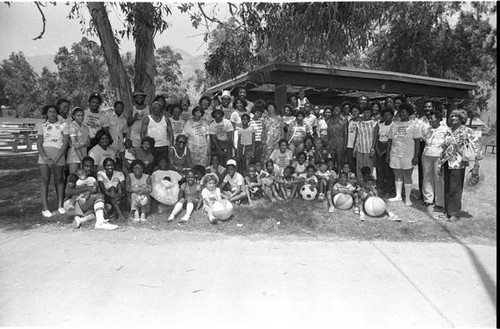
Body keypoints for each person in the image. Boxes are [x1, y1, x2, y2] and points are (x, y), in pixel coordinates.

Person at [437, 109, 482, 222]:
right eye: (452, 116)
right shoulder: (449, 130)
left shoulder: (467, 130)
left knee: (455, 188)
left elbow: (476, 145)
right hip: (447, 162)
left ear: (462, 119)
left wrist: (477, 162)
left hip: (458, 163)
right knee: (447, 187)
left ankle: (455, 213)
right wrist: (440, 162)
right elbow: (444, 147)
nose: (453, 118)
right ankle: (447, 211)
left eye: (456, 116)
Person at [64, 156, 118, 230]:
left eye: (91, 166)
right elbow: (68, 192)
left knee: (107, 207)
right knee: (100, 196)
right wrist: (87, 188)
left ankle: (80, 220)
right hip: (72, 204)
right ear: (81, 166)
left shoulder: (93, 176)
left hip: (86, 202)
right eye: (86, 166)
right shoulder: (74, 176)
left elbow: (97, 190)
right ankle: (100, 223)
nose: (88, 168)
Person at [37, 104, 69, 218]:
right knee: (45, 180)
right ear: (46, 113)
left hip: (59, 154)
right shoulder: (42, 126)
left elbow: (65, 144)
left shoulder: (63, 125)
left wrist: (56, 158)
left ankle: (60, 206)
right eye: (50, 112)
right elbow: (39, 144)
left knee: (59, 179)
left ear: (57, 113)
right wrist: (45, 158)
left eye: (54, 112)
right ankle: (45, 208)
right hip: (45, 155)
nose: (52, 114)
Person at [386, 103, 421, 206]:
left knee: (407, 175)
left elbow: (417, 142)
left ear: (409, 113)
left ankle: (408, 198)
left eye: (404, 112)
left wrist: (415, 156)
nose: (402, 114)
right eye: (400, 112)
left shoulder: (414, 125)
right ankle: (398, 196)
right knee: (397, 175)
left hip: (408, 154)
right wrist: (388, 154)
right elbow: (389, 140)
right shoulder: (395, 125)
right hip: (395, 153)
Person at [421, 110, 449, 218]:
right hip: (427, 154)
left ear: (438, 118)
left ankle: (439, 202)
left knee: (438, 178)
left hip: (439, 155)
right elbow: (423, 139)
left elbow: (447, 144)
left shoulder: (445, 129)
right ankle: (428, 200)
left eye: (432, 118)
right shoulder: (426, 129)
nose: (431, 120)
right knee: (427, 177)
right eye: (429, 118)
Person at [373, 108, 395, 196]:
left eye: (388, 115)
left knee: (388, 170)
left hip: (389, 149)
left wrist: (387, 152)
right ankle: (380, 188)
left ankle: (389, 189)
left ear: (392, 116)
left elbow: (392, 140)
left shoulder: (394, 125)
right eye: (385, 115)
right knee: (380, 169)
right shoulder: (379, 125)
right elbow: (376, 138)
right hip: (379, 149)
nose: (386, 117)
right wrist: (376, 148)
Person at [97, 157, 126, 222]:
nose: (110, 167)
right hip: (106, 195)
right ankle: (118, 214)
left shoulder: (119, 173)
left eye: (112, 165)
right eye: (108, 165)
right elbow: (102, 188)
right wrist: (109, 194)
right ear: (104, 167)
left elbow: (122, 185)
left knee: (114, 188)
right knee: (112, 189)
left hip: (118, 194)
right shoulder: (100, 173)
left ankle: (116, 214)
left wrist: (118, 195)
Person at [353, 105, 377, 181]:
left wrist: (372, 149)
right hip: (359, 149)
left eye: (368, 113)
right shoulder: (359, 124)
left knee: (368, 168)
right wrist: (354, 150)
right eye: (365, 113)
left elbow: (375, 137)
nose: (366, 115)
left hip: (369, 150)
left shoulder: (374, 123)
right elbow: (356, 137)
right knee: (359, 167)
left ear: (371, 114)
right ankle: (360, 183)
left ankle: (368, 184)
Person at [67, 107, 90, 174]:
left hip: (84, 154)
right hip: (74, 156)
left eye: (82, 115)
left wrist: (80, 144)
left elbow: (88, 143)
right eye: (78, 116)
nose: (81, 117)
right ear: (73, 116)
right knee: (73, 176)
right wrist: (81, 159)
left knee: (83, 178)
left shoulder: (86, 127)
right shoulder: (72, 126)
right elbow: (74, 145)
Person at [326, 105, 347, 172]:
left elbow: (345, 133)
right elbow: (328, 133)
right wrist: (327, 143)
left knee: (339, 160)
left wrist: (345, 144)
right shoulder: (329, 121)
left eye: (338, 109)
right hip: (331, 141)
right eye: (335, 109)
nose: (336, 111)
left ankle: (339, 173)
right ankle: (332, 173)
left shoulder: (344, 120)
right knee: (332, 159)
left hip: (340, 141)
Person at [346, 104, 362, 171]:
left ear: (359, 111)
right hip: (349, 145)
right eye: (353, 112)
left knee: (358, 163)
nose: (354, 113)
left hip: (359, 145)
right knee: (350, 163)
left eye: (356, 111)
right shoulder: (350, 121)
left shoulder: (362, 121)